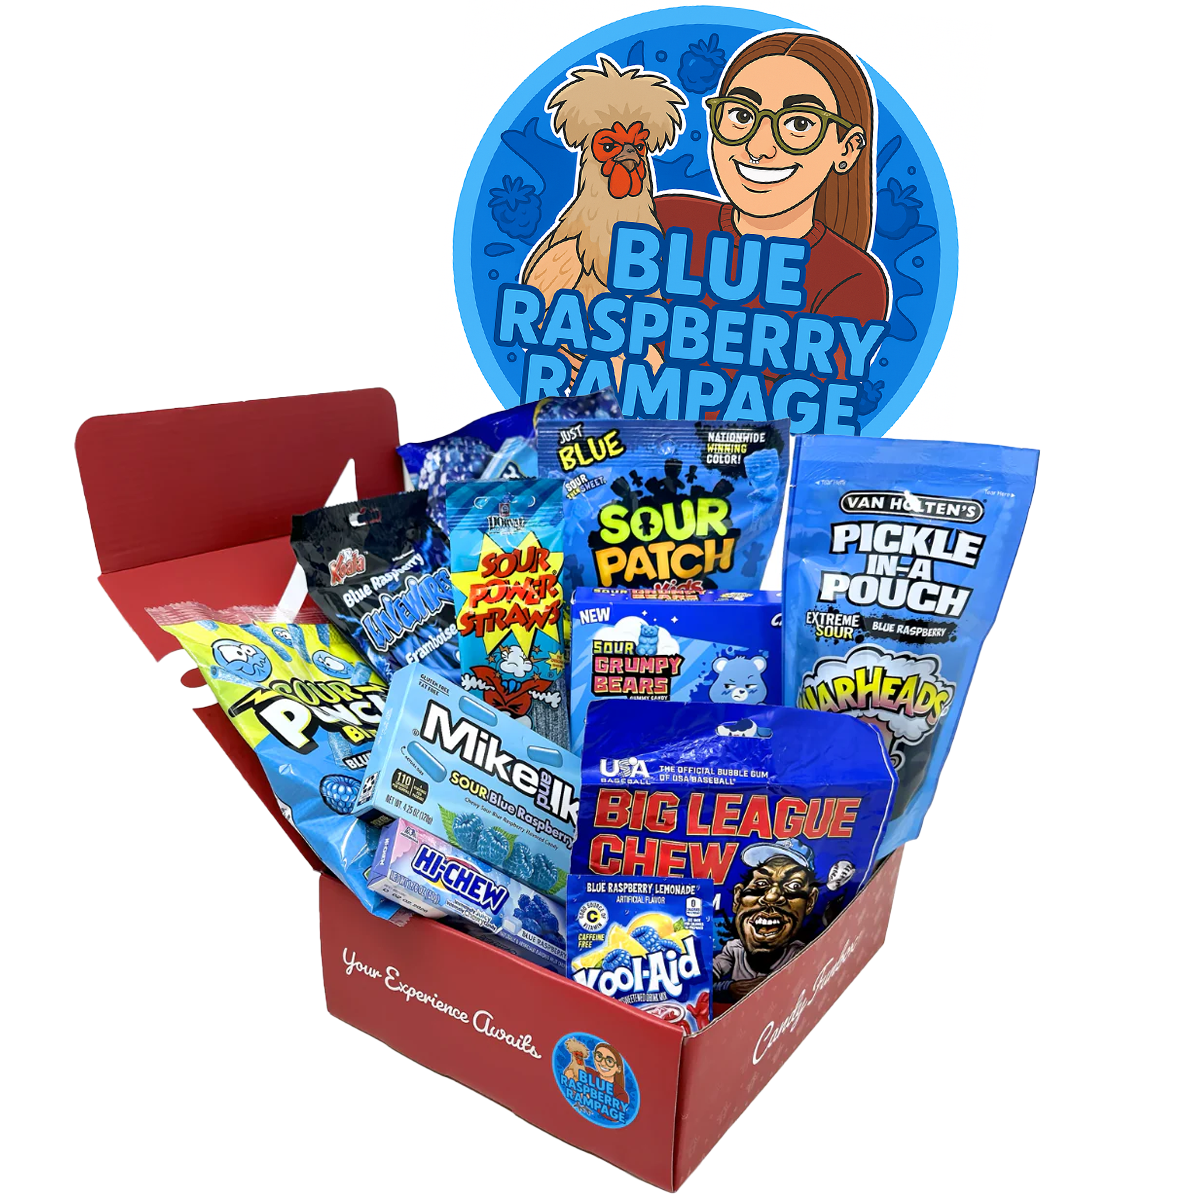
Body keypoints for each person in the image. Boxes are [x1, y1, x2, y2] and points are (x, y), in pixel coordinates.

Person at [656, 31, 889, 327]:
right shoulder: (666, 218)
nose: (758, 148)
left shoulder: (852, 280)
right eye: (741, 116)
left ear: (847, 149)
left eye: (799, 124)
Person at [713, 839, 820, 1001]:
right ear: (737, 897)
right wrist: (728, 989)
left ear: (810, 901)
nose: (771, 897)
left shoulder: (801, 955)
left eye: (794, 886)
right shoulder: (734, 949)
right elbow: (699, 985)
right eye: (761, 883)